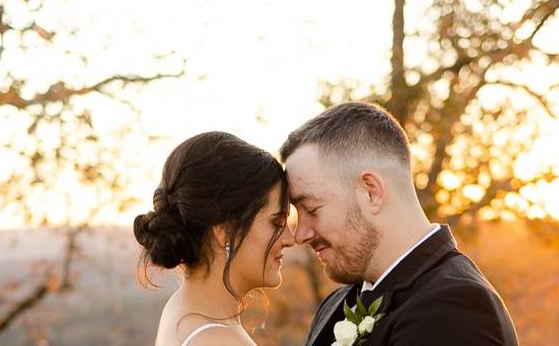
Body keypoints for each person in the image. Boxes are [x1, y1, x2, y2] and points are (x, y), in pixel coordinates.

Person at [281, 102, 519, 346]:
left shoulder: (456, 309)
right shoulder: (338, 304)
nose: (301, 234)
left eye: (311, 209)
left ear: (371, 192)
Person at [135, 131, 295, 346]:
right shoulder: (217, 339)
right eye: (276, 223)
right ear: (226, 231)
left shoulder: (182, 311)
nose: (290, 239)